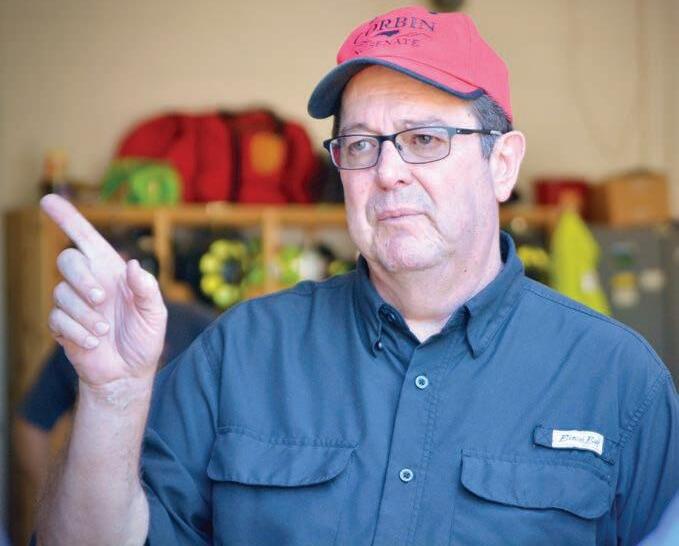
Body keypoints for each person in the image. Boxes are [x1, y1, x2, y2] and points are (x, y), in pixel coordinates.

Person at [34, 6, 678, 546]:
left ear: (502, 164)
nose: (388, 173)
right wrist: (111, 400)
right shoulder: (243, 351)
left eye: (424, 139)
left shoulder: (619, 380)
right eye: (362, 145)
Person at [14, 299, 215, 496]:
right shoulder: (84, 337)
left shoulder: (196, 324)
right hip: (105, 497)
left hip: (178, 502)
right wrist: (59, 502)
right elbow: (32, 425)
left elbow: (31, 426)